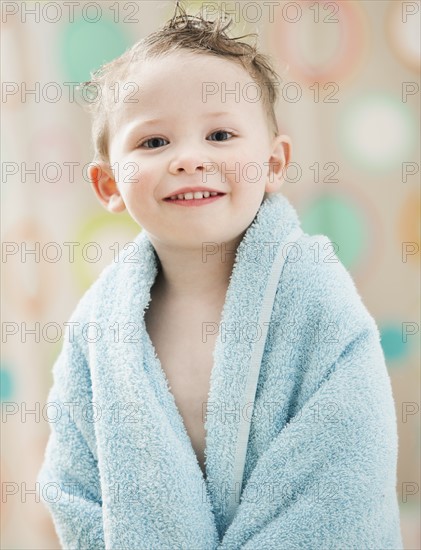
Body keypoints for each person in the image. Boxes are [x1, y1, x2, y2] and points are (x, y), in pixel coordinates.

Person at [37, 3, 403, 549]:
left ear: (274, 163)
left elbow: (346, 463)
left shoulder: (314, 298)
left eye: (221, 135)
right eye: (154, 142)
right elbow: (73, 486)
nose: (188, 158)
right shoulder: (98, 328)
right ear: (109, 184)